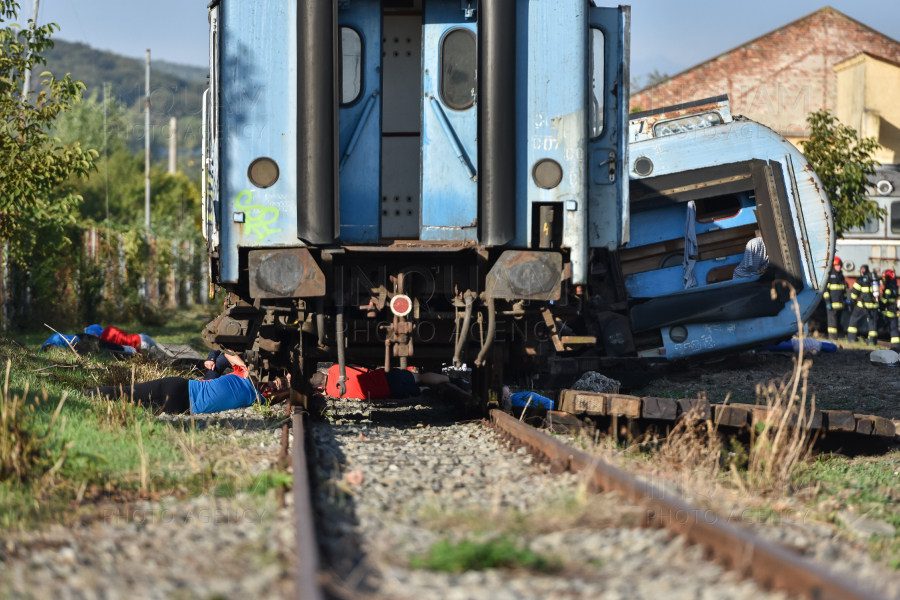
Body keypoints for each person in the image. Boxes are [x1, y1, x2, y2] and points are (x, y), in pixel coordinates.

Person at [86, 352, 290, 414]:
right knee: (126, 393)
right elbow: (228, 355)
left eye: (275, 387)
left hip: (183, 406)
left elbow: (285, 395)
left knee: (132, 410)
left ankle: (91, 405)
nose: (271, 386)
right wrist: (244, 365)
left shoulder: (258, 401)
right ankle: (85, 396)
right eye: (273, 381)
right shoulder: (244, 375)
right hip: (181, 387)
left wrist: (288, 386)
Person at [310, 364, 452, 400]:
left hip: (391, 393)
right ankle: (450, 380)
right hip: (387, 376)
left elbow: (323, 393)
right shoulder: (334, 368)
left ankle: (425, 390)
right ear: (323, 372)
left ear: (321, 387)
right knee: (419, 377)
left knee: (417, 390)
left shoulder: (332, 393)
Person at [848, 264, 879, 345]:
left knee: (853, 320)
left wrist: (852, 302)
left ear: (862, 271)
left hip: (862, 305)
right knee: (873, 324)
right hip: (873, 306)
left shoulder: (860, 280)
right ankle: (872, 342)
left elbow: (854, 294)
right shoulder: (874, 279)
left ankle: (851, 339)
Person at [824, 256, 847, 340]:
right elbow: (826, 291)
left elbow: (843, 291)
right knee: (832, 323)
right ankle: (832, 338)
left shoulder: (842, 276)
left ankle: (836, 337)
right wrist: (828, 302)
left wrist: (845, 301)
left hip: (840, 305)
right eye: (837, 265)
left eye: (840, 265)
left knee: (837, 322)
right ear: (834, 266)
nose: (839, 267)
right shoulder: (830, 276)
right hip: (832, 304)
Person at [881, 269, 900, 351]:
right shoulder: (895, 286)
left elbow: (885, 300)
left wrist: (879, 300)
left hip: (888, 312)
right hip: (893, 311)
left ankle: (896, 346)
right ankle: (896, 345)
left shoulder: (888, 288)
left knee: (892, 328)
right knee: (894, 328)